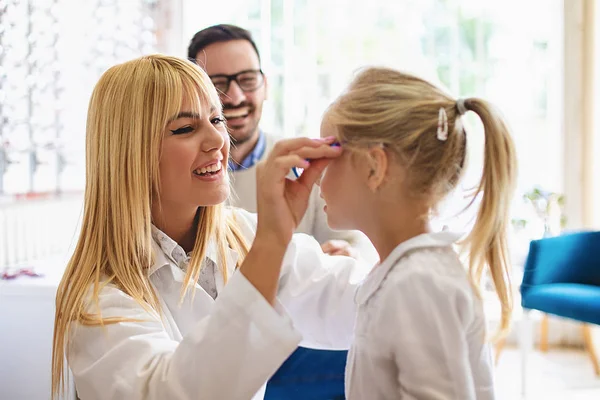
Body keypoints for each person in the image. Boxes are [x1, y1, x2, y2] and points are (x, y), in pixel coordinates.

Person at [50, 54, 365, 400]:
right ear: (130, 154)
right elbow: (173, 391)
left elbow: (355, 303)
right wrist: (271, 245)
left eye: (217, 119)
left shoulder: (241, 236)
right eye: (185, 128)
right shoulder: (97, 301)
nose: (217, 141)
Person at [318, 67, 517, 399]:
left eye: (328, 157)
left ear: (374, 166)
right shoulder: (409, 273)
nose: (315, 176)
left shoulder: (418, 285)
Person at [187, 24, 377, 263]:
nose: (235, 97)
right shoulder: (180, 175)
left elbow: (358, 241)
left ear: (265, 85)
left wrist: (350, 255)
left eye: (247, 79)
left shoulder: (303, 163)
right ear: (194, 96)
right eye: (218, 83)